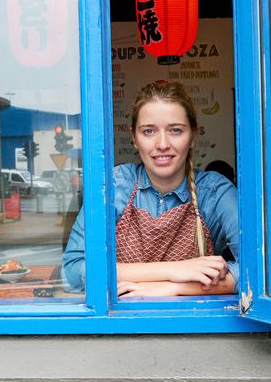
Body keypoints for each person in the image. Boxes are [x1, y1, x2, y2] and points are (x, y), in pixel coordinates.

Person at [62, 81, 238, 297]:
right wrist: (175, 270)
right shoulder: (115, 185)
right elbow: (73, 270)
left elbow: (257, 271)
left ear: (193, 135)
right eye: (148, 131)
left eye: (175, 130)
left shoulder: (215, 192)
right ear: (134, 138)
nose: (162, 144)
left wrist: (171, 288)